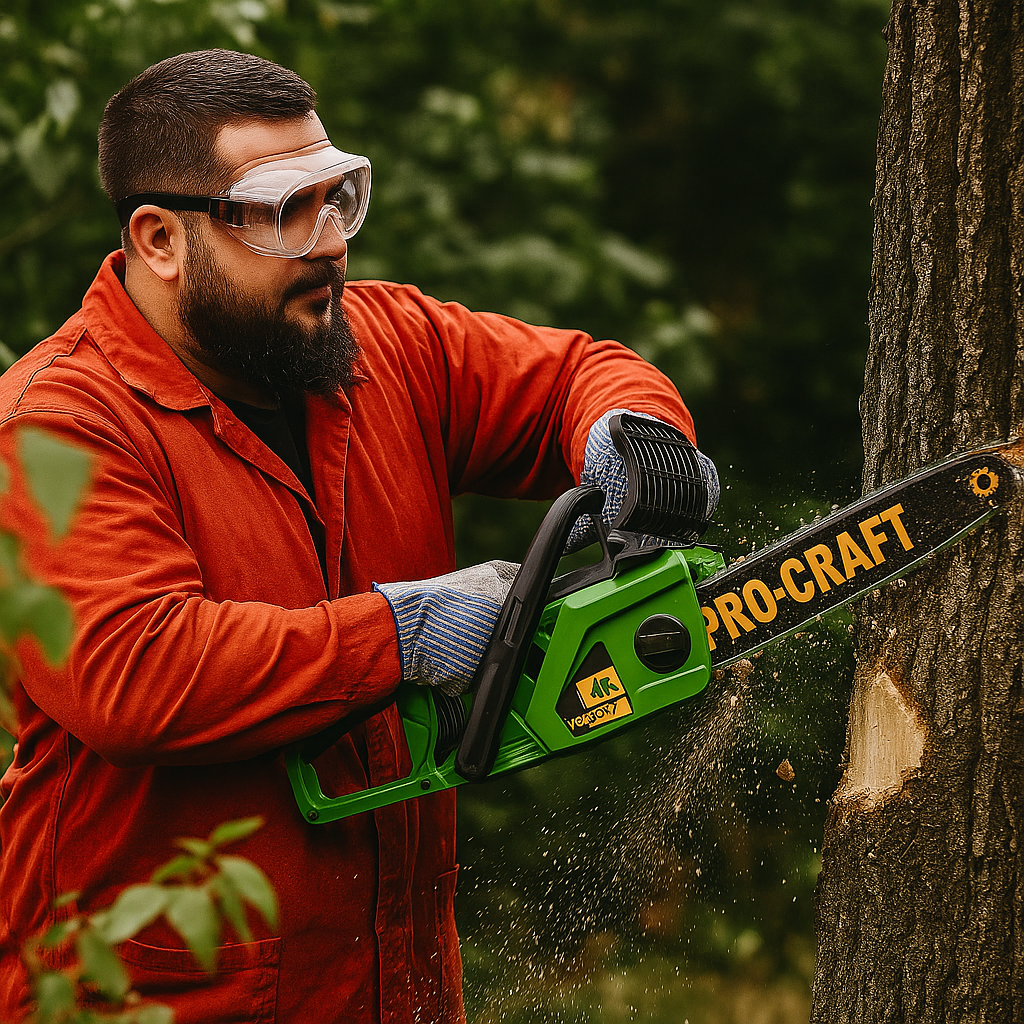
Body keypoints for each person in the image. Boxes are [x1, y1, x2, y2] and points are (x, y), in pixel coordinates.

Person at [0, 50, 717, 1024]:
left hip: (393, 980)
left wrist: (633, 436)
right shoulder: (56, 426)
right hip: (155, 996)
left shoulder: (379, 346)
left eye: (337, 200)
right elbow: (137, 674)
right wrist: (402, 634)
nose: (331, 244)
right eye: (285, 212)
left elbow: (572, 374)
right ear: (160, 238)